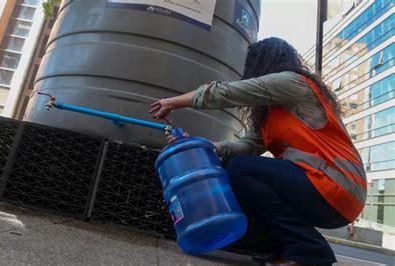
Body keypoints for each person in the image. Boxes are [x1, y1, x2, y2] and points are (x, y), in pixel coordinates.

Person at [149, 37, 366, 265]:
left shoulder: (294, 84)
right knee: (239, 166)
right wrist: (207, 146)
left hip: (337, 185)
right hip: (324, 190)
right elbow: (248, 145)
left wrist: (173, 102)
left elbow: (228, 92)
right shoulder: (272, 116)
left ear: (262, 65)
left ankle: (310, 251)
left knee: (241, 168)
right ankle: (291, 248)